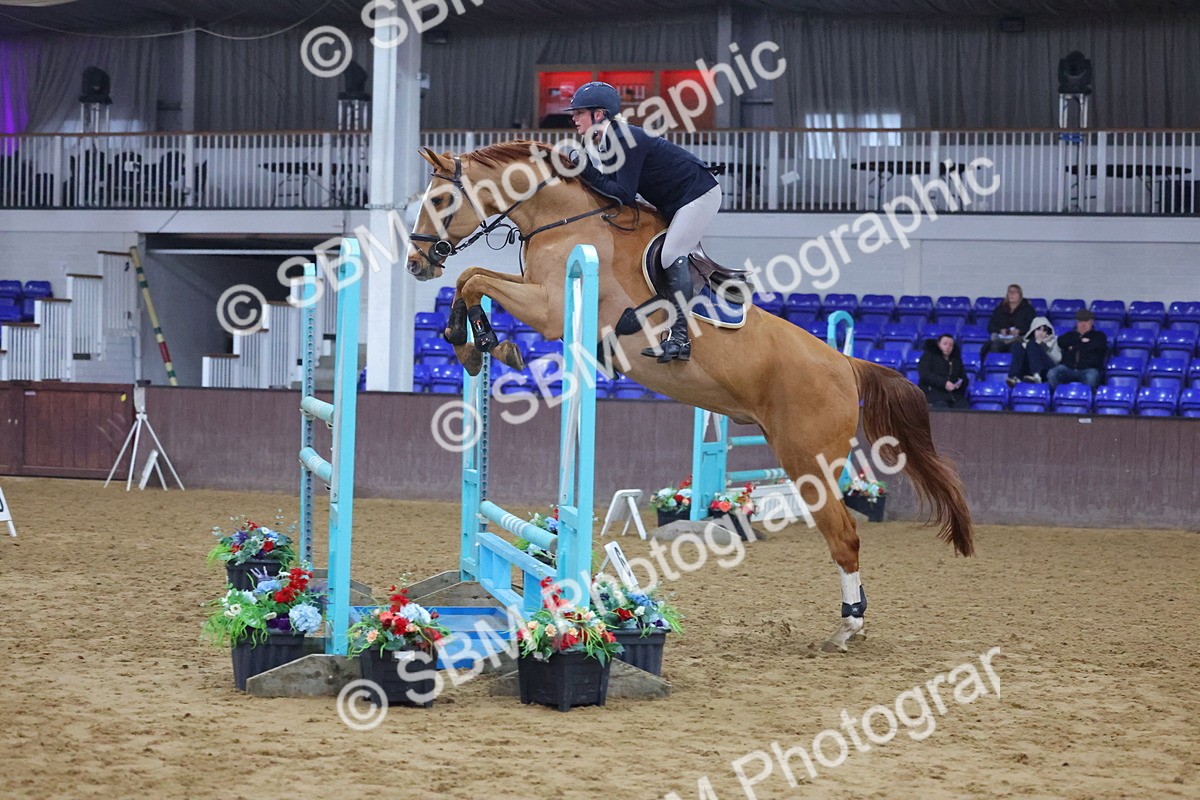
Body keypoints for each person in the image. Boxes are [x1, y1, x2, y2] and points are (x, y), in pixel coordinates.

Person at [564, 81, 721, 363]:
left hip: (698, 194)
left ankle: (680, 339)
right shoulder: (607, 140)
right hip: (677, 200)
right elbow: (612, 189)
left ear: (599, 115)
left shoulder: (622, 137)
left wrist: (586, 171)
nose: (573, 118)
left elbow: (623, 195)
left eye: (579, 113)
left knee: (672, 253)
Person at [1048, 309, 1108, 390]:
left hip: (1088, 369)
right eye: (1080, 322)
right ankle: (1055, 397)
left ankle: (1086, 400)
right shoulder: (1071, 335)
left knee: (1091, 377)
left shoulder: (1098, 336)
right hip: (1068, 368)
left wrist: (1073, 346)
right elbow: (1061, 341)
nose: (1083, 325)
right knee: (1052, 373)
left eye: (1086, 322)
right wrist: (1080, 341)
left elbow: (1098, 346)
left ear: (1092, 322)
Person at [917, 333, 970, 409]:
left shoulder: (956, 360)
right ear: (938, 344)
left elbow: (964, 378)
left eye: (950, 345)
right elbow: (925, 374)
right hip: (933, 394)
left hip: (954, 396)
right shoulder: (928, 356)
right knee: (942, 407)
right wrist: (944, 383)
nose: (948, 347)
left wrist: (959, 384)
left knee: (964, 407)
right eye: (945, 344)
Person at [982, 284, 1035, 359]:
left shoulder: (1028, 309)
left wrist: (1020, 331)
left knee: (1017, 347)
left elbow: (1032, 326)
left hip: (1019, 339)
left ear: (1020, 295)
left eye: (1014, 292)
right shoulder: (1000, 308)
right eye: (1010, 292)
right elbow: (991, 325)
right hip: (1002, 339)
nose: (1011, 294)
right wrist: (1000, 330)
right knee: (993, 346)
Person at [1005, 316, 1061, 386]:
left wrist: (1043, 346)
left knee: (1032, 344)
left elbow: (1057, 360)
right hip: (1028, 371)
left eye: (1044, 330)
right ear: (1033, 331)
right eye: (1038, 330)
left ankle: (1036, 374)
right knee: (1017, 345)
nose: (1041, 333)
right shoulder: (1027, 342)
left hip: (1047, 370)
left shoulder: (1054, 341)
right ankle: (1013, 377)